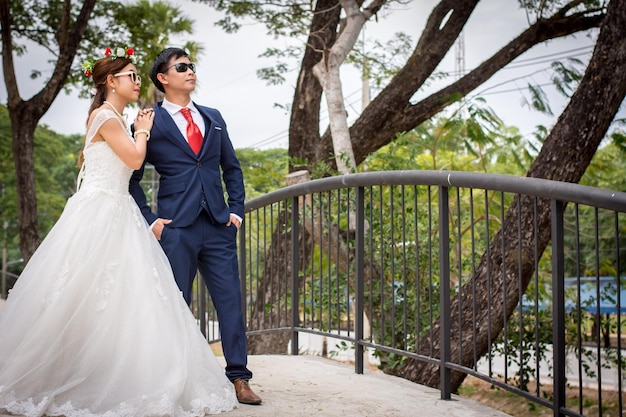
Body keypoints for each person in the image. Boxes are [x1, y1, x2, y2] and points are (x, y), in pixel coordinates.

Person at [0, 47, 238, 417]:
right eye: (130, 76)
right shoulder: (107, 116)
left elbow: (224, 167)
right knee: (84, 296)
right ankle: (75, 373)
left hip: (122, 212)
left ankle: (125, 372)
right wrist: (142, 131)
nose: (136, 81)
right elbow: (134, 161)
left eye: (137, 76)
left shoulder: (118, 116)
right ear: (111, 81)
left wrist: (234, 211)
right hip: (99, 214)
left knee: (128, 301)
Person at [129, 47, 261, 406]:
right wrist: (153, 222)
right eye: (182, 67)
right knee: (175, 304)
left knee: (231, 303)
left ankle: (239, 378)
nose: (190, 71)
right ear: (163, 78)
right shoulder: (148, 121)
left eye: (192, 66)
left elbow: (231, 168)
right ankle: (175, 382)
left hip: (219, 226)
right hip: (177, 229)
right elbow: (130, 178)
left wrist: (236, 211)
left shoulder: (213, 117)